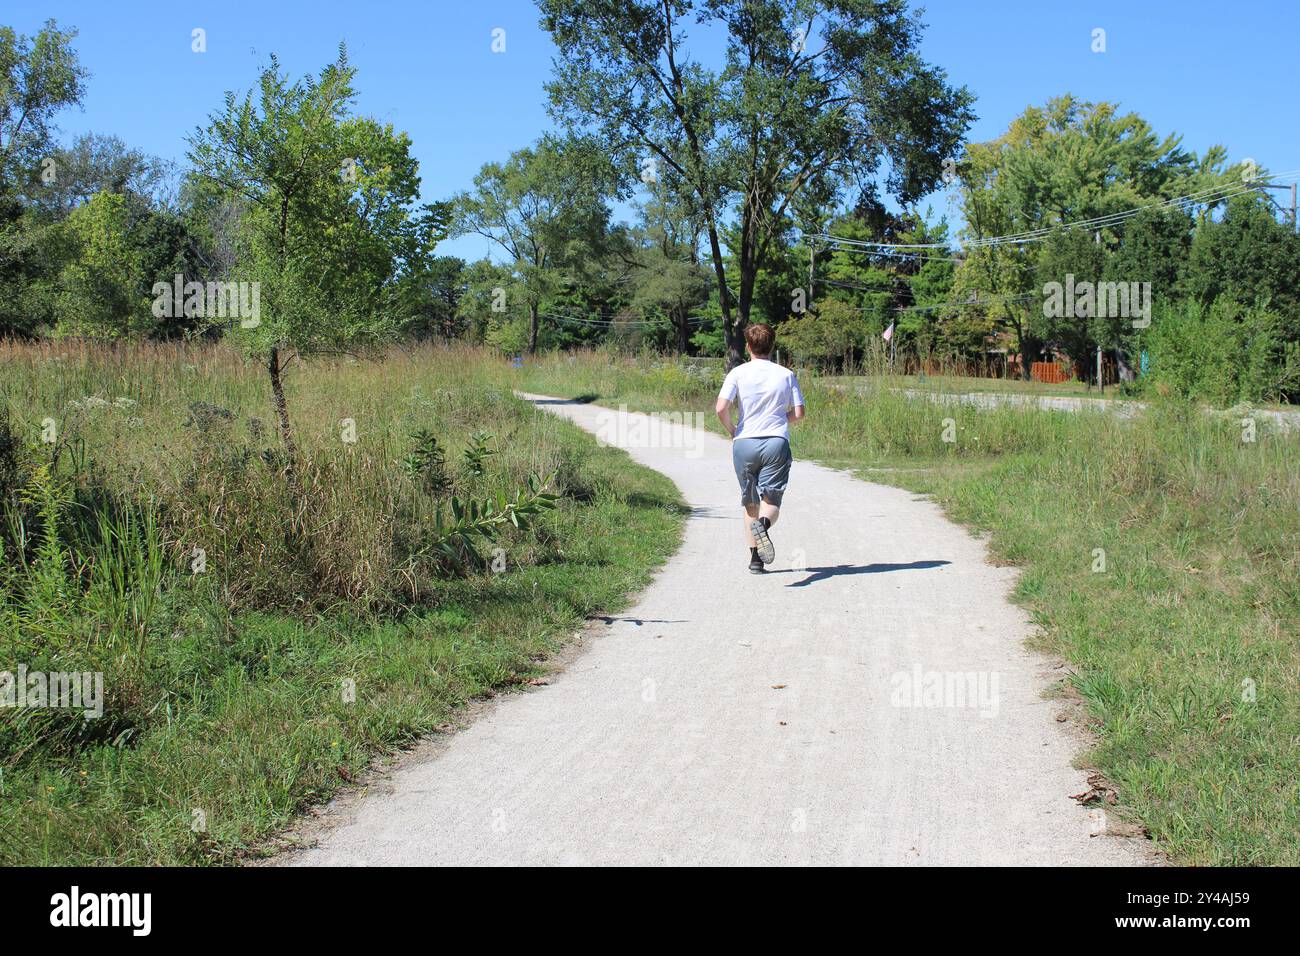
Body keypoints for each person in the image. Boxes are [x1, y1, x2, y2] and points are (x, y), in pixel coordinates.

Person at [714, 323, 805, 574]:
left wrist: (733, 430)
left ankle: (755, 560)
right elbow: (799, 413)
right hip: (776, 441)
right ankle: (763, 526)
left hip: (744, 442)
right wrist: (779, 421)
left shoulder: (737, 373)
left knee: (750, 502)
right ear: (772, 345)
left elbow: (721, 408)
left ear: (748, 346)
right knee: (771, 499)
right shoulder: (786, 374)